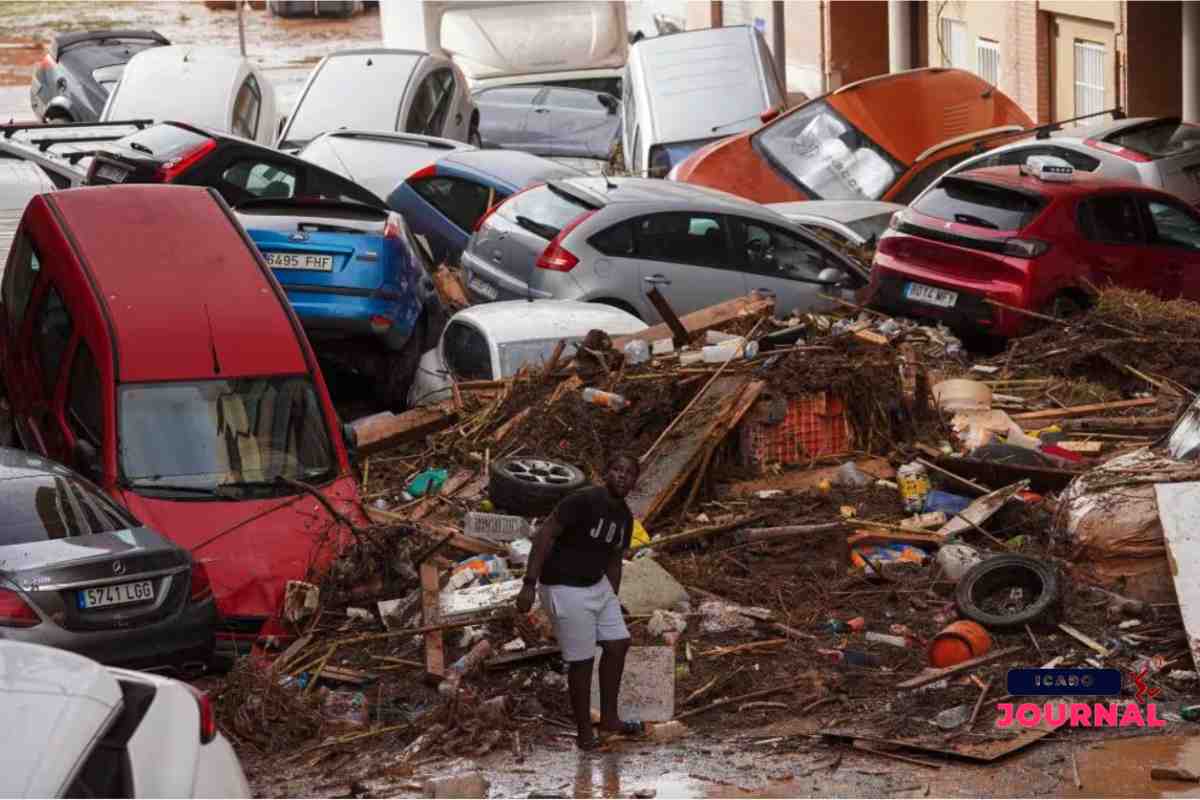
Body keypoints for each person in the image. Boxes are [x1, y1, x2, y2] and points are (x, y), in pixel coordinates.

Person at [515, 454, 643, 750]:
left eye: (629, 473)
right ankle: (586, 733)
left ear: (635, 482)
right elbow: (544, 536)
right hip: (563, 586)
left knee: (617, 643)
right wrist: (528, 584)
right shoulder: (582, 500)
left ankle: (610, 719)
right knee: (582, 661)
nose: (622, 476)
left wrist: (612, 595)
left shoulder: (624, 516)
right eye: (617, 470)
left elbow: (614, 560)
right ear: (605, 473)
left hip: (596, 585)